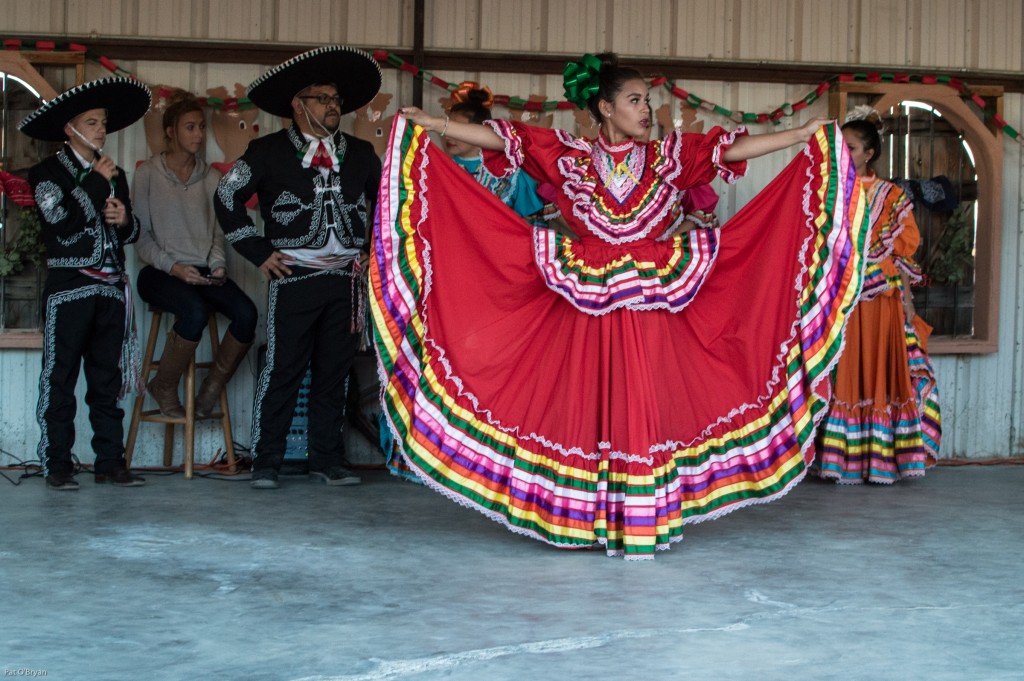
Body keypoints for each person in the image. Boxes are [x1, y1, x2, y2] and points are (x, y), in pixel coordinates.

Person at [375, 52, 868, 559]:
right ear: (606, 108)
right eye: (635, 100)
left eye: (648, 101)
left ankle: (638, 516)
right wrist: (434, 124)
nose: (646, 110)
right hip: (583, 302)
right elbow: (506, 140)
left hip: (651, 298)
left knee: (640, 403)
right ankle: (582, 517)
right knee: (584, 407)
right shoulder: (568, 153)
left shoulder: (670, 158)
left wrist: (799, 134)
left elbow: (736, 147)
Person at [215, 46, 382, 489]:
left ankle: (328, 460)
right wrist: (258, 251)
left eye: (336, 100)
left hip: (346, 281)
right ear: (298, 104)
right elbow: (226, 196)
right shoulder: (267, 151)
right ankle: (266, 461)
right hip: (294, 277)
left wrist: (372, 250)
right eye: (323, 98)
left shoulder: (362, 153)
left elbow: (389, 205)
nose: (333, 106)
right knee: (284, 370)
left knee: (335, 372)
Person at [19, 77, 151, 489]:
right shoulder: (46, 174)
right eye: (92, 122)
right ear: (69, 129)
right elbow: (59, 223)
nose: (101, 130)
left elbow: (130, 235)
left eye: (103, 122)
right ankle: (57, 463)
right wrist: (94, 182)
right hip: (69, 291)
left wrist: (125, 220)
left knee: (106, 383)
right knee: (60, 380)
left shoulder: (116, 174)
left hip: (110, 290)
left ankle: (109, 462)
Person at [815, 110, 941, 483]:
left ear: (868, 153)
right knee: (845, 371)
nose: (844, 152)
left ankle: (881, 460)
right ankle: (841, 461)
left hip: (879, 297)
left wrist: (868, 254)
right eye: (840, 146)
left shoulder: (890, 194)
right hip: (841, 297)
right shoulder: (830, 190)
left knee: (877, 371)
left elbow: (906, 242)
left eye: (850, 147)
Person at [132, 91, 257, 419]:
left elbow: (218, 234)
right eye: (190, 127)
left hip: (203, 273)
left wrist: (216, 265)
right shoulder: (147, 173)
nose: (199, 135)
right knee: (195, 312)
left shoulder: (213, 178)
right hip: (159, 273)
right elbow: (140, 239)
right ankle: (163, 384)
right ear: (170, 131)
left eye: (201, 127)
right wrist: (174, 268)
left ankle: (211, 388)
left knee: (247, 314)